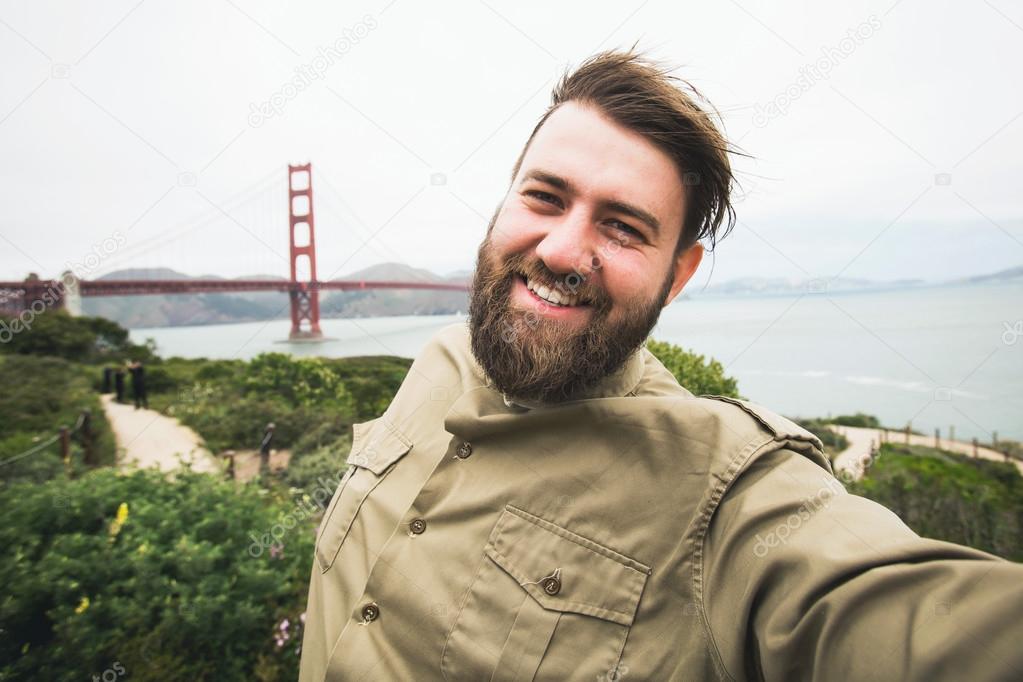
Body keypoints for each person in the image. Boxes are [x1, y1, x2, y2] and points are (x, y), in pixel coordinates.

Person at [298, 50, 1023, 681]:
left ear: (677, 277)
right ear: (503, 203)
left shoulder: (727, 495)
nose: (558, 250)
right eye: (544, 197)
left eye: (621, 227)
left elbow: (894, 619)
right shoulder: (440, 358)